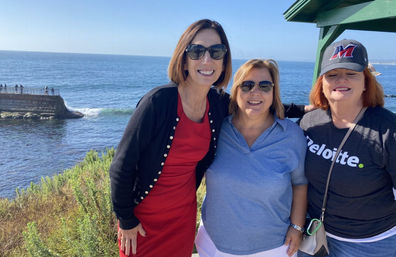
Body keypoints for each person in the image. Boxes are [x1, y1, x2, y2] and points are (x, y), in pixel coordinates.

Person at [109, 19, 232, 257]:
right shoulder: (157, 102)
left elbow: (256, 106)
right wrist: (125, 219)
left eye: (216, 52)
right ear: (184, 58)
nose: (207, 60)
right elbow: (121, 167)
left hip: (182, 220)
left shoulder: (218, 102)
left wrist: (312, 109)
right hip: (142, 224)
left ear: (224, 60)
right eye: (197, 51)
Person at [195, 59, 308, 257]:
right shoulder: (218, 128)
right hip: (212, 244)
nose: (255, 92)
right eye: (247, 85)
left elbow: (300, 183)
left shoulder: (292, 135)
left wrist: (297, 227)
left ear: (274, 92)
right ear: (236, 90)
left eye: (264, 86)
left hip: (273, 247)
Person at [298, 39, 396, 257]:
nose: (341, 80)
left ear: (366, 82)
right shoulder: (309, 123)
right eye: (332, 74)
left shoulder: (388, 130)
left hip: (370, 245)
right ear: (321, 82)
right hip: (313, 235)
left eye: (351, 73)